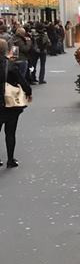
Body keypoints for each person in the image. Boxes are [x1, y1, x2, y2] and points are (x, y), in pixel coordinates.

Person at [0, 38, 32, 168]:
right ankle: (10, 159)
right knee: (10, 132)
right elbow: (22, 81)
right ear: (5, 50)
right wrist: (28, 92)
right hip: (9, 102)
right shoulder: (11, 65)